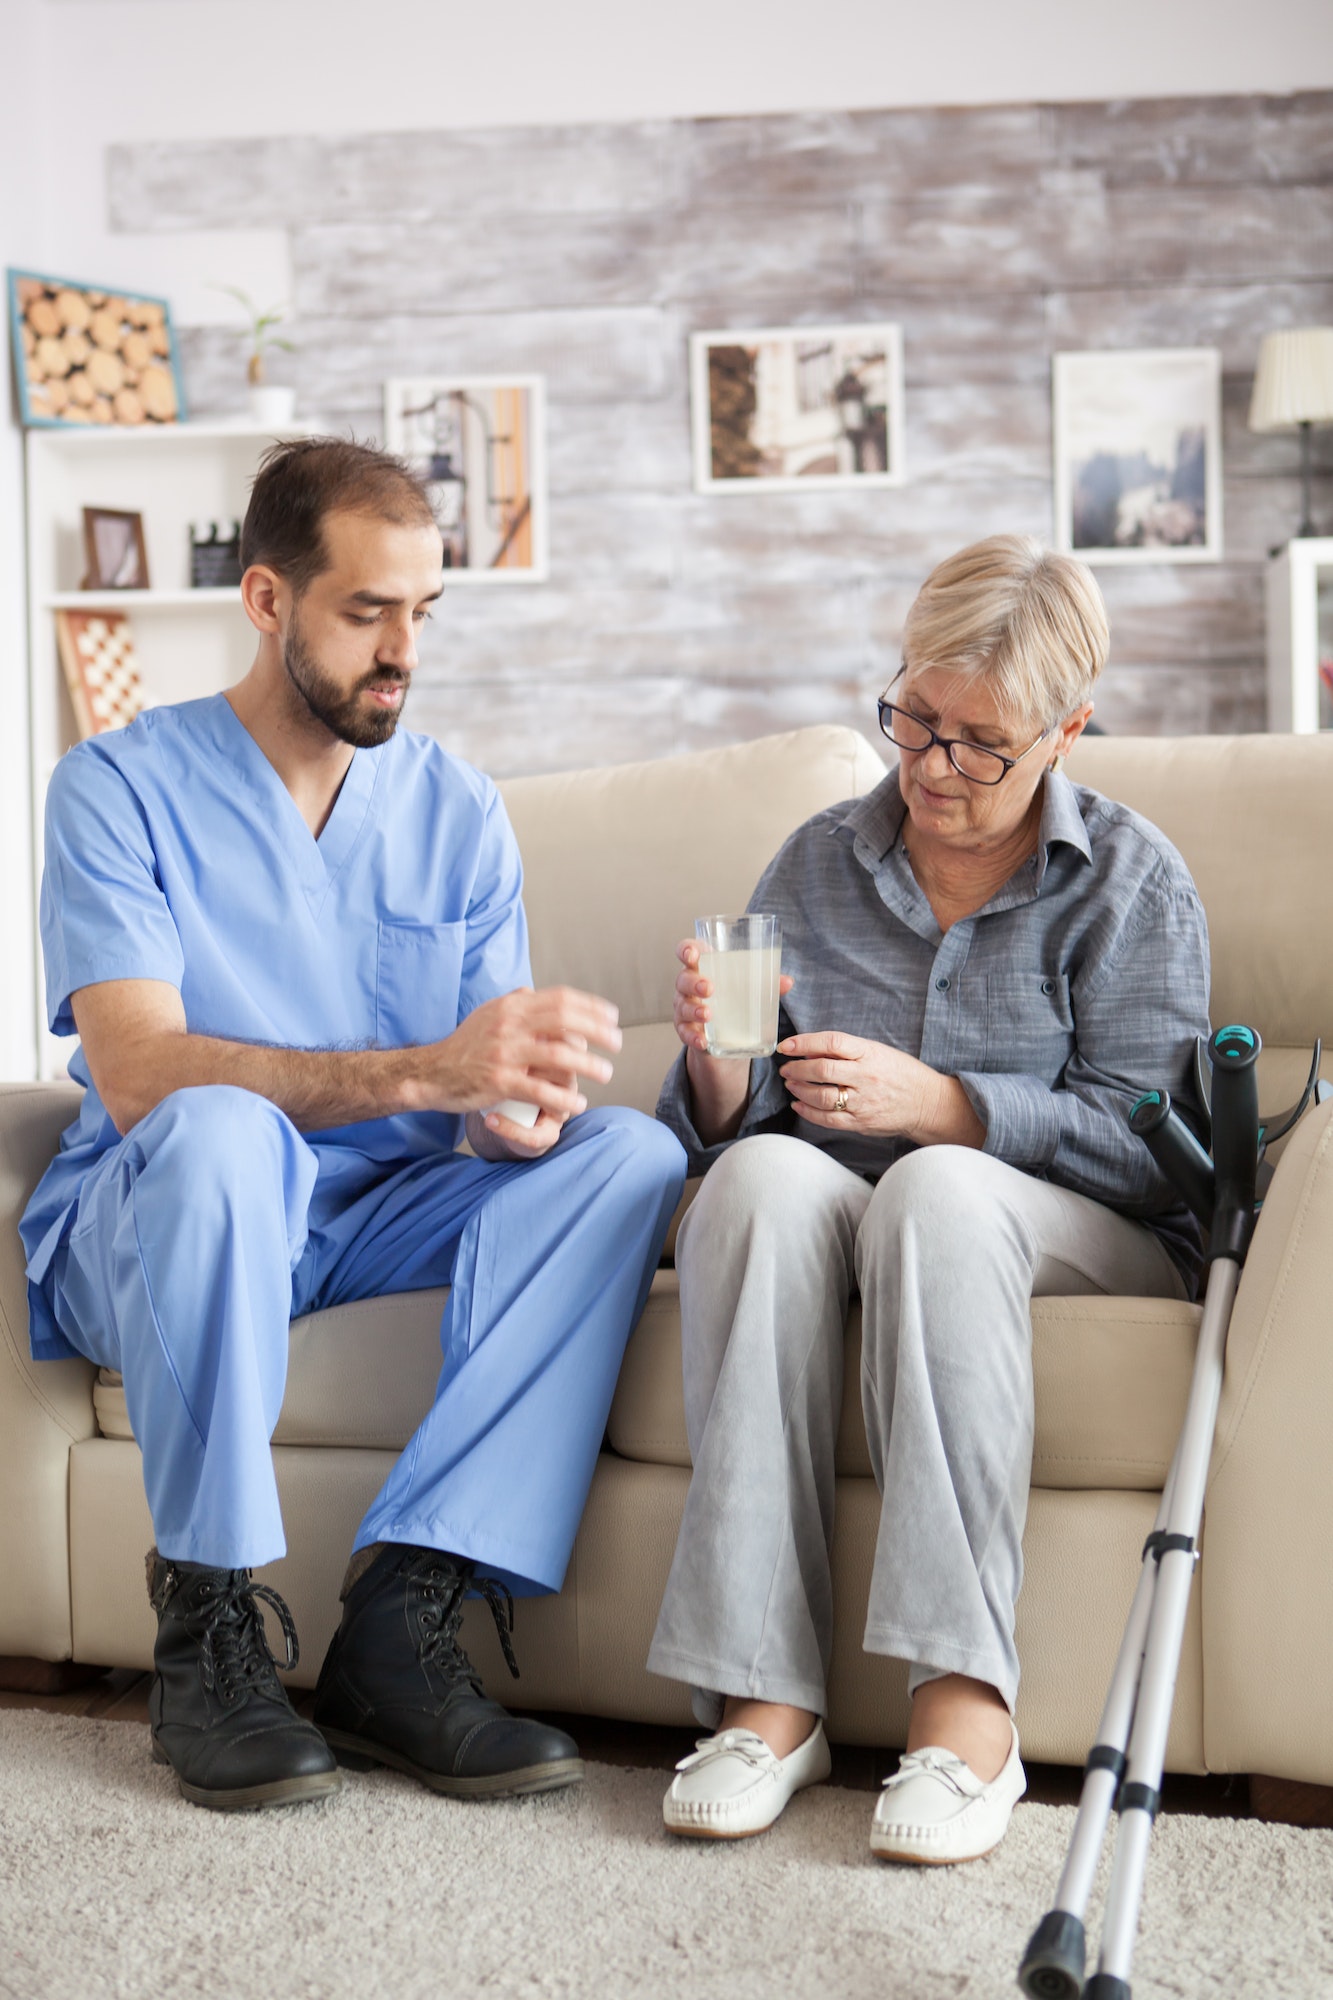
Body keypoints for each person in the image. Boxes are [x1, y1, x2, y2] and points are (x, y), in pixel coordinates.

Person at [20, 437, 686, 1814]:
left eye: (422, 612)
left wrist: (512, 1112)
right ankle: (208, 1624)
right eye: (367, 612)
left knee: (630, 1154)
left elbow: (477, 1094)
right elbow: (138, 1075)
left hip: (377, 1216)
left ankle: (403, 1617)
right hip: (167, 1213)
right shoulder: (115, 787)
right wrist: (426, 1074)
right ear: (266, 599)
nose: (403, 653)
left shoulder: (457, 810)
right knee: (222, 1132)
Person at [648, 535, 1209, 1864]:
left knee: (940, 1190)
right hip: (854, 1207)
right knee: (753, 1184)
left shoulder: (1131, 882)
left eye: (982, 744)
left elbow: (1156, 1151)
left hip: (1073, 1227)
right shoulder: (815, 863)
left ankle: (965, 1710)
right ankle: (764, 1701)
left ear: (1066, 732)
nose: (933, 765)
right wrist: (717, 1068)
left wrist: (948, 1106)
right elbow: (738, 1125)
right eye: (913, 718)